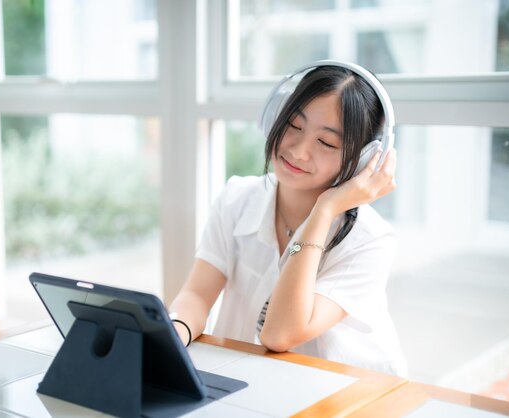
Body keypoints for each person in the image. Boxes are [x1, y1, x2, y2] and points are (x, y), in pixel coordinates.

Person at [169, 62, 407, 376]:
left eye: (326, 143)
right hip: (253, 379)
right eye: (294, 125)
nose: (299, 150)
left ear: (364, 158)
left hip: (344, 396)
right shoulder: (237, 199)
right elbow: (198, 294)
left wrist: (324, 211)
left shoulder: (369, 240)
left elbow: (279, 334)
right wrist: (172, 335)